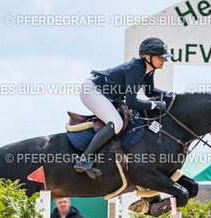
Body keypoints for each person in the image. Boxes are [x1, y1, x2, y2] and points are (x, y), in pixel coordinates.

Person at [74, 37, 173, 179]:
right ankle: (84, 159)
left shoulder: (149, 70)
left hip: (105, 93)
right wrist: (154, 105)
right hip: (92, 90)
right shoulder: (136, 68)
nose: (164, 60)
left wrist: (170, 95)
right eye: (160, 57)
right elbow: (131, 102)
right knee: (116, 123)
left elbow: (150, 92)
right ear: (148, 58)